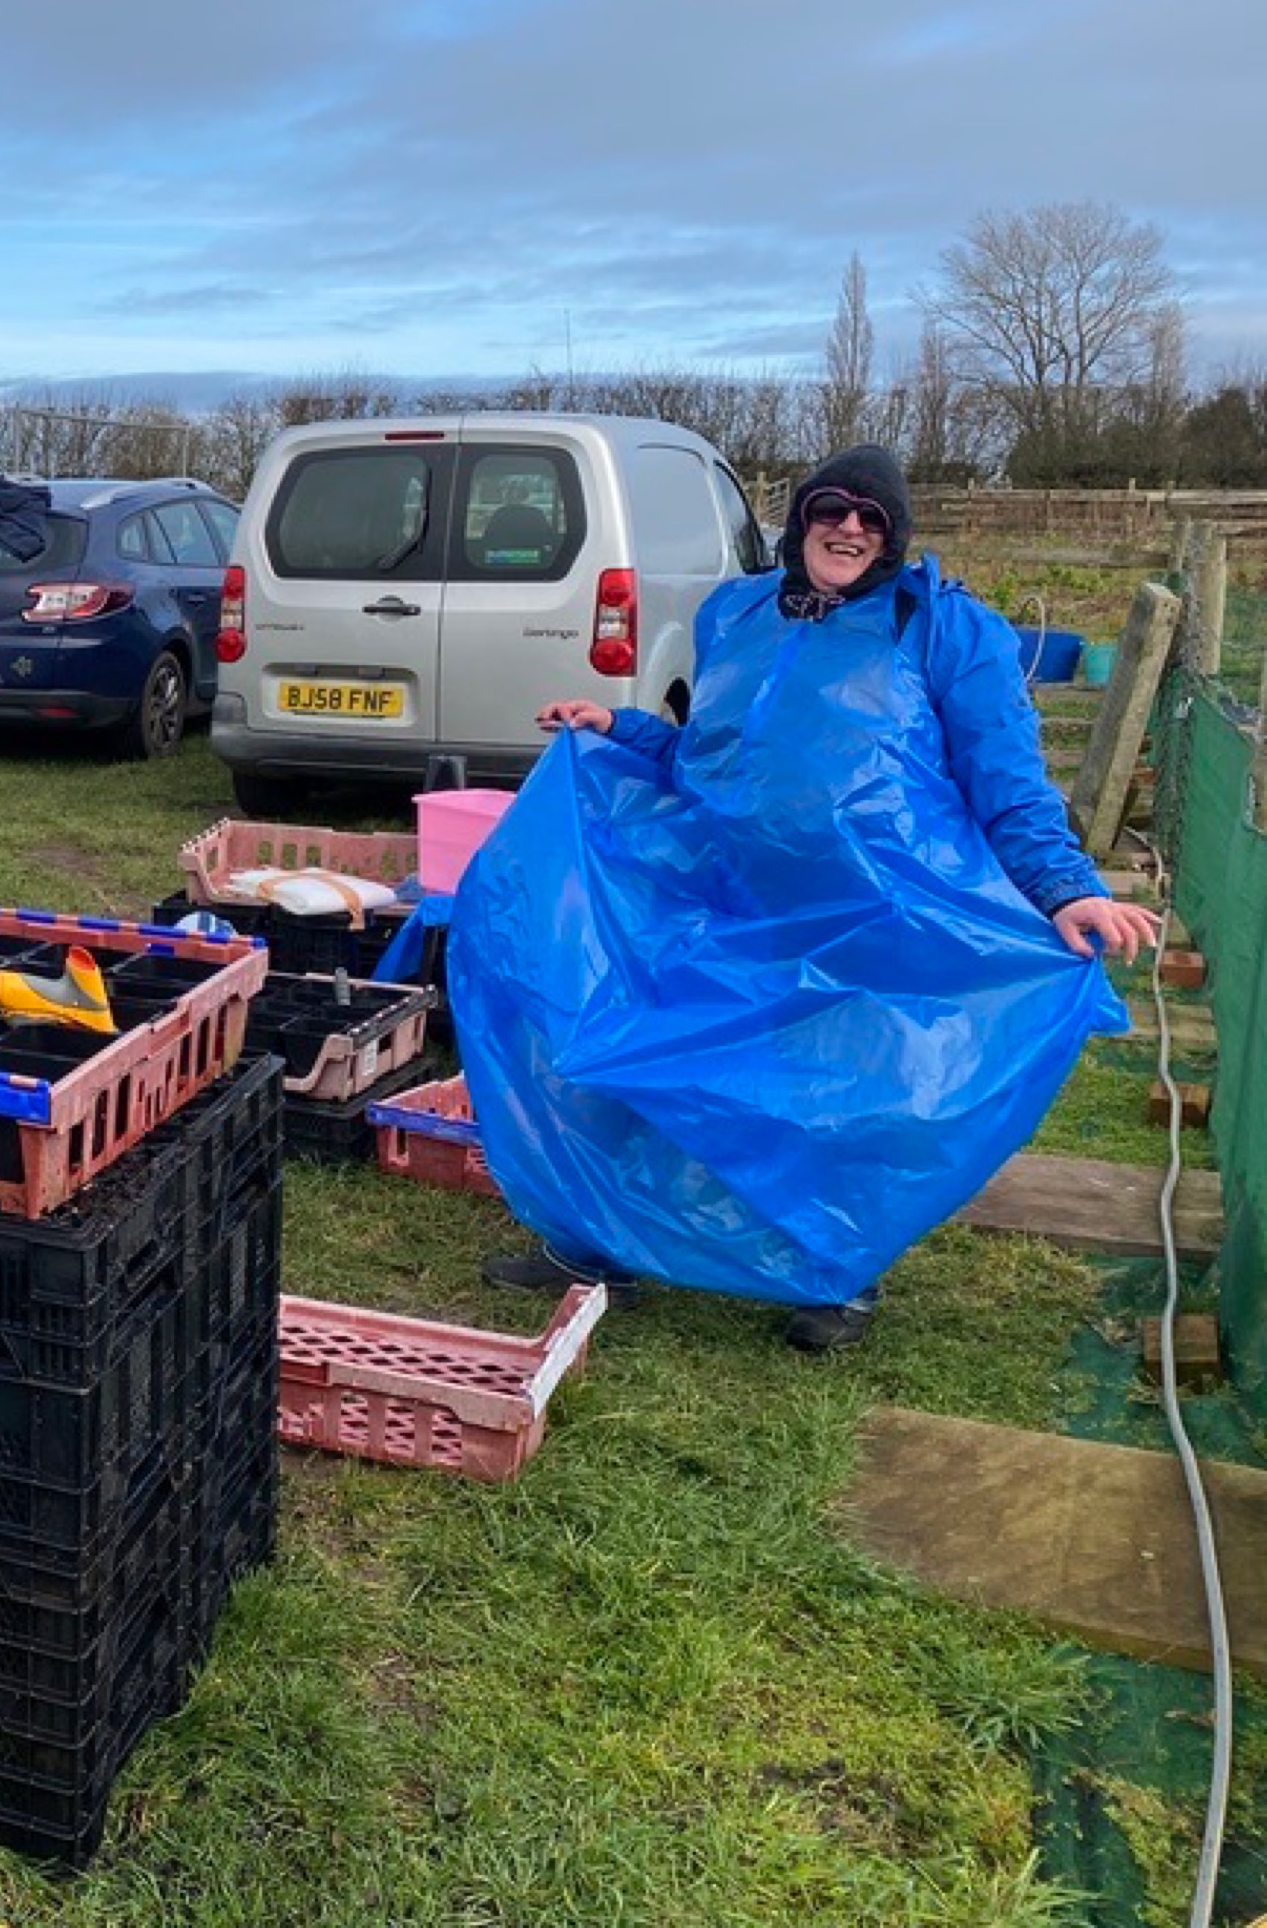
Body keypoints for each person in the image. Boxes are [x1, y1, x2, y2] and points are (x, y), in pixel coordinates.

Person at [455, 443, 1158, 1352]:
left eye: (873, 517)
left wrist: (1064, 889)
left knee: (843, 1093)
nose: (851, 528)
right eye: (832, 508)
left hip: (875, 916)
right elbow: (709, 753)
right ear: (801, 519)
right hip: (722, 895)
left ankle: (838, 1271)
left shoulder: (943, 630)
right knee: (638, 1055)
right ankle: (598, 1244)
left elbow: (1007, 781)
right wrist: (619, 729)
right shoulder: (736, 614)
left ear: (895, 536)